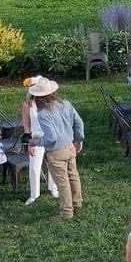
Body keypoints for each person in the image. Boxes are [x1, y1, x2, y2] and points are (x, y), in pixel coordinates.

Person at [26, 76, 83, 221]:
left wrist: (34, 142)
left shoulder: (43, 114)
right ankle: (77, 203)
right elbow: (79, 123)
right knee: (73, 176)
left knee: (62, 182)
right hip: (70, 146)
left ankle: (66, 212)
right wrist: (78, 140)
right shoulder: (65, 104)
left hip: (56, 152)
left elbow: (51, 138)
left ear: (37, 97)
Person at [20, 93, 57, 205]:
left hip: (50, 136)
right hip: (35, 138)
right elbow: (26, 124)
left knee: (53, 163)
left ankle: (54, 188)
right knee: (34, 166)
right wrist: (30, 142)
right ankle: (34, 194)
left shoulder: (51, 102)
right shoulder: (28, 104)